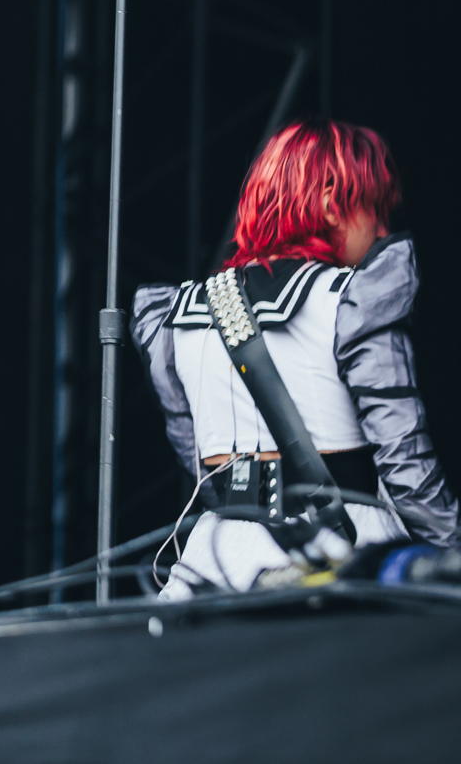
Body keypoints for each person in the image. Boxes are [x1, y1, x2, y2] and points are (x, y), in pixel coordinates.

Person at [133, 120, 458, 597]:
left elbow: (198, 464)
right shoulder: (355, 299)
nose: (382, 229)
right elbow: (406, 467)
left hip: (215, 565)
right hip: (343, 557)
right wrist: (449, 552)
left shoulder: (177, 315)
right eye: (376, 208)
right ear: (331, 201)